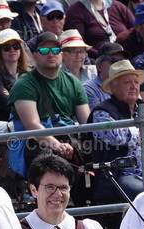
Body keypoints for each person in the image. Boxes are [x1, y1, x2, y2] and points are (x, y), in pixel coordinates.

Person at [89, 59, 144, 200]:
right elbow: (114, 136)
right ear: (113, 87)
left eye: (136, 82)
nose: (134, 87)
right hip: (123, 175)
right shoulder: (103, 112)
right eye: (127, 82)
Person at [8, 32, 90, 163]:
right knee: (49, 160)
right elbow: (32, 125)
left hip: (70, 140)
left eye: (56, 50)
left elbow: (87, 123)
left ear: (62, 55)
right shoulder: (24, 84)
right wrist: (57, 145)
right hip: (37, 143)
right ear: (35, 56)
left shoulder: (73, 81)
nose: (51, 54)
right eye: (44, 50)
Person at [0, 28, 31, 120]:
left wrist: (11, 94)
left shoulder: (29, 74)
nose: (12, 50)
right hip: (6, 123)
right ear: (0, 52)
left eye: (16, 46)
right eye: (6, 47)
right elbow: (7, 104)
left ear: (21, 49)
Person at [63, 0, 134, 55]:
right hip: (98, 61)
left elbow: (136, 31)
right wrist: (104, 56)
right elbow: (77, 44)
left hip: (127, 56)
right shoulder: (75, 12)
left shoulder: (119, 7)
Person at [82, 40, 123, 108]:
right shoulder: (89, 89)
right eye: (113, 61)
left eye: (122, 61)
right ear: (99, 66)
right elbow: (98, 116)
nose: (119, 65)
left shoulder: (130, 83)